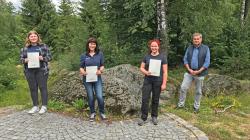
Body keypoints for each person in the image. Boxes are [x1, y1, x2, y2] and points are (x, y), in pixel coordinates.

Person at [177, 33, 210, 113]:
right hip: (189, 72)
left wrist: (198, 71)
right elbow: (185, 59)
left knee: (198, 91)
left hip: (200, 73)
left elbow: (207, 62)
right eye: (194, 39)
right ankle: (181, 105)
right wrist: (189, 69)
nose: (196, 40)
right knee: (183, 88)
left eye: (197, 39)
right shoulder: (189, 48)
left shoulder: (206, 48)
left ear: (201, 39)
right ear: (193, 40)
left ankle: (196, 107)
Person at [20, 30, 52, 114]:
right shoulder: (25, 48)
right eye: (31, 36)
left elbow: (49, 57)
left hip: (41, 70)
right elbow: (21, 60)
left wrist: (43, 58)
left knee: (42, 87)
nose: (33, 38)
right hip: (29, 71)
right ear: (29, 38)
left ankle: (44, 106)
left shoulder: (44, 46)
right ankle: (35, 106)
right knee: (33, 88)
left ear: (37, 37)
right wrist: (25, 60)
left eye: (35, 36)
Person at [138, 39, 168, 126]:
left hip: (158, 81)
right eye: (152, 46)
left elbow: (165, 71)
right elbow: (141, 68)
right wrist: (146, 72)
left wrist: (164, 83)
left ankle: (154, 116)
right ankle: (143, 117)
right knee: (145, 99)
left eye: (155, 46)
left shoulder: (162, 57)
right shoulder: (146, 56)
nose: (154, 47)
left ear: (158, 47)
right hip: (148, 80)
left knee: (155, 99)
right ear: (150, 47)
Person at [79, 37, 107, 122]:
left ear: (96, 45)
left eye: (94, 44)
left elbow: (102, 65)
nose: (92, 45)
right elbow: (81, 67)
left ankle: (102, 112)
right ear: (88, 44)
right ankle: (92, 113)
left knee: (99, 96)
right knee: (90, 97)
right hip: (87, 78)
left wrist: (100, 70)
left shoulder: (100, 54)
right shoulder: (84, 55)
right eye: (91, 43)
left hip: (97, 78)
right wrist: (83, 72)